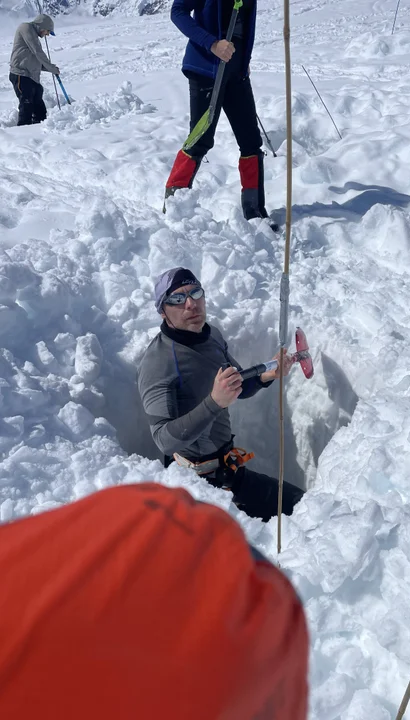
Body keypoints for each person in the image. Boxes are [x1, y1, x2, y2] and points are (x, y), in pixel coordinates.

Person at [0, 483, 309, 719]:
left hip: (182, 506)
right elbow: (169, 436)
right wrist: (213, 404)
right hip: (206, 482)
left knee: (298, 499)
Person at [137, 266, 305, 522]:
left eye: (196, 293)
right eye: (178, 299)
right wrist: (214, 403)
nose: (191, 304)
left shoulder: (211, 335)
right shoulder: (158, 363)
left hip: (229, 472)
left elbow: (237, 384)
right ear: (162, 310)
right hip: (193, 488)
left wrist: (265, 376)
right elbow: (165, 441)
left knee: (306, 508)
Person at [166, 0, 270, 222]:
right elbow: (178, 12)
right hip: (206, 67)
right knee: (200, 139)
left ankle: (255, 213)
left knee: (251, 141)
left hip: (236, 69)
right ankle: (173, 206)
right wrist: (212, 44)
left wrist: (243, 58)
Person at [9, 14, 60, 127]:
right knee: (26, 104)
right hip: (20, 74)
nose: (47, 34)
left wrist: (50, 69)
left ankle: (40, 129)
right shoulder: (25, 28)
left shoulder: (33, 36)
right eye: (47, 31)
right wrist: (51, 67)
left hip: (30, 76)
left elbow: (36, 60)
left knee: (39, 106)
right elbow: (37, 52)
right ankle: (23, 131)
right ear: (42, 26)